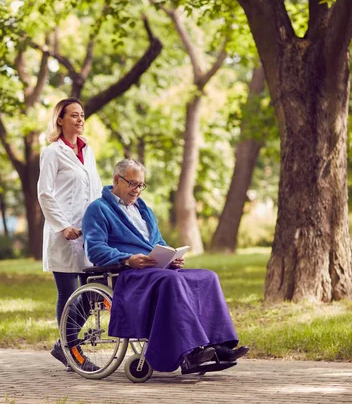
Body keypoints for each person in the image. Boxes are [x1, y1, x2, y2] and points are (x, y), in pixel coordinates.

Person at [82, 158, 249, 374]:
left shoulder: (145, 210)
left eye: (141, 185)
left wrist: (171, 256)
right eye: (133, 184)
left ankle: (219, 345)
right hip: (128, 274)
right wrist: (127, 259)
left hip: (157, 271)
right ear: (117, 179)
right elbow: (95, 250)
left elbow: (157, 243)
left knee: (207, 276)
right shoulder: (98, 209)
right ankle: (189, 353)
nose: (137, 190)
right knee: (172, 281)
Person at [37, 97, 102, 371]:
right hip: (63, 234)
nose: (79, 119)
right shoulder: (53, 152)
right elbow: (45, 193)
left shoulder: (88, 151)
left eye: (82, 115)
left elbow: (97, 190)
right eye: (73, 115)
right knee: (68, 293)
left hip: (88, 234)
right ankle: (72, 351)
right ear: (60, 120)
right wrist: (63, 226)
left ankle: (63, 344)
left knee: (94, 293)